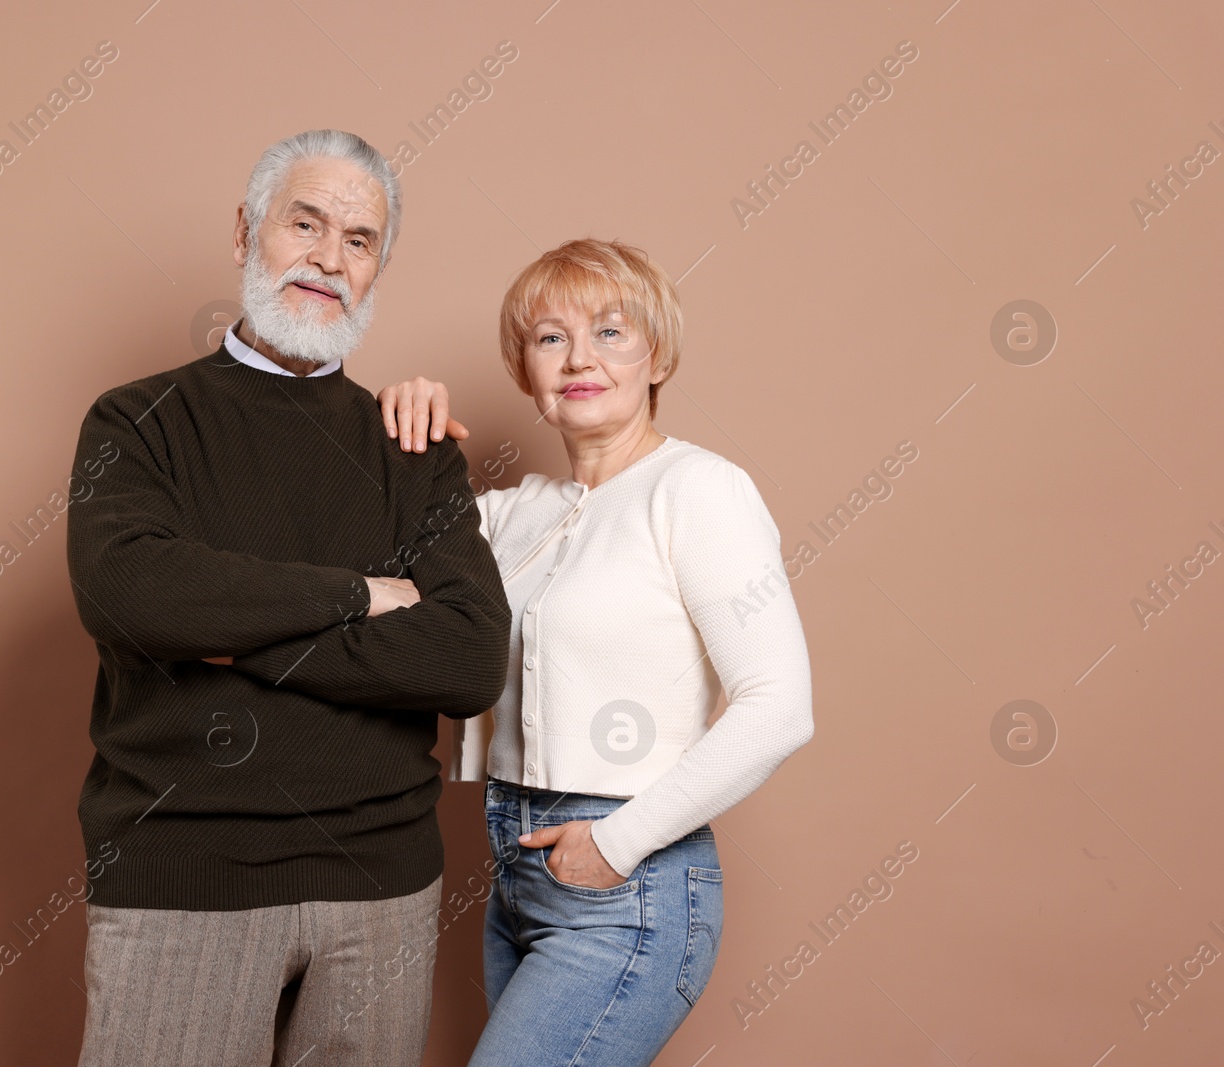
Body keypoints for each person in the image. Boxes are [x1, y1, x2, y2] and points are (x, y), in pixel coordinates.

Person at [65, 128, 511, 1067]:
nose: (327, 258)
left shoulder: (414, 446)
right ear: (244, 232)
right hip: (184, 876)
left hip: (382, 888)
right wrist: (359, 593)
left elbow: (469, 657)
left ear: (378, 268)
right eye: (303, 224)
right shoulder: (137, 421)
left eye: (358, 241)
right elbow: (135, 592)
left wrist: (232, 631)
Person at [377, 237, 815, 1066]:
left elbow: (778, 706)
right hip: (514, 869)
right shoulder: (513, 515)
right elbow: (375, 580)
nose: (580, 357)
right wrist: (403, 421)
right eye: (550, 337)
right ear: (524, 368)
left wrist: (616, 844)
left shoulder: (698, 490)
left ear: (657, 354)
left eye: (611, 331)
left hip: (628, 880)